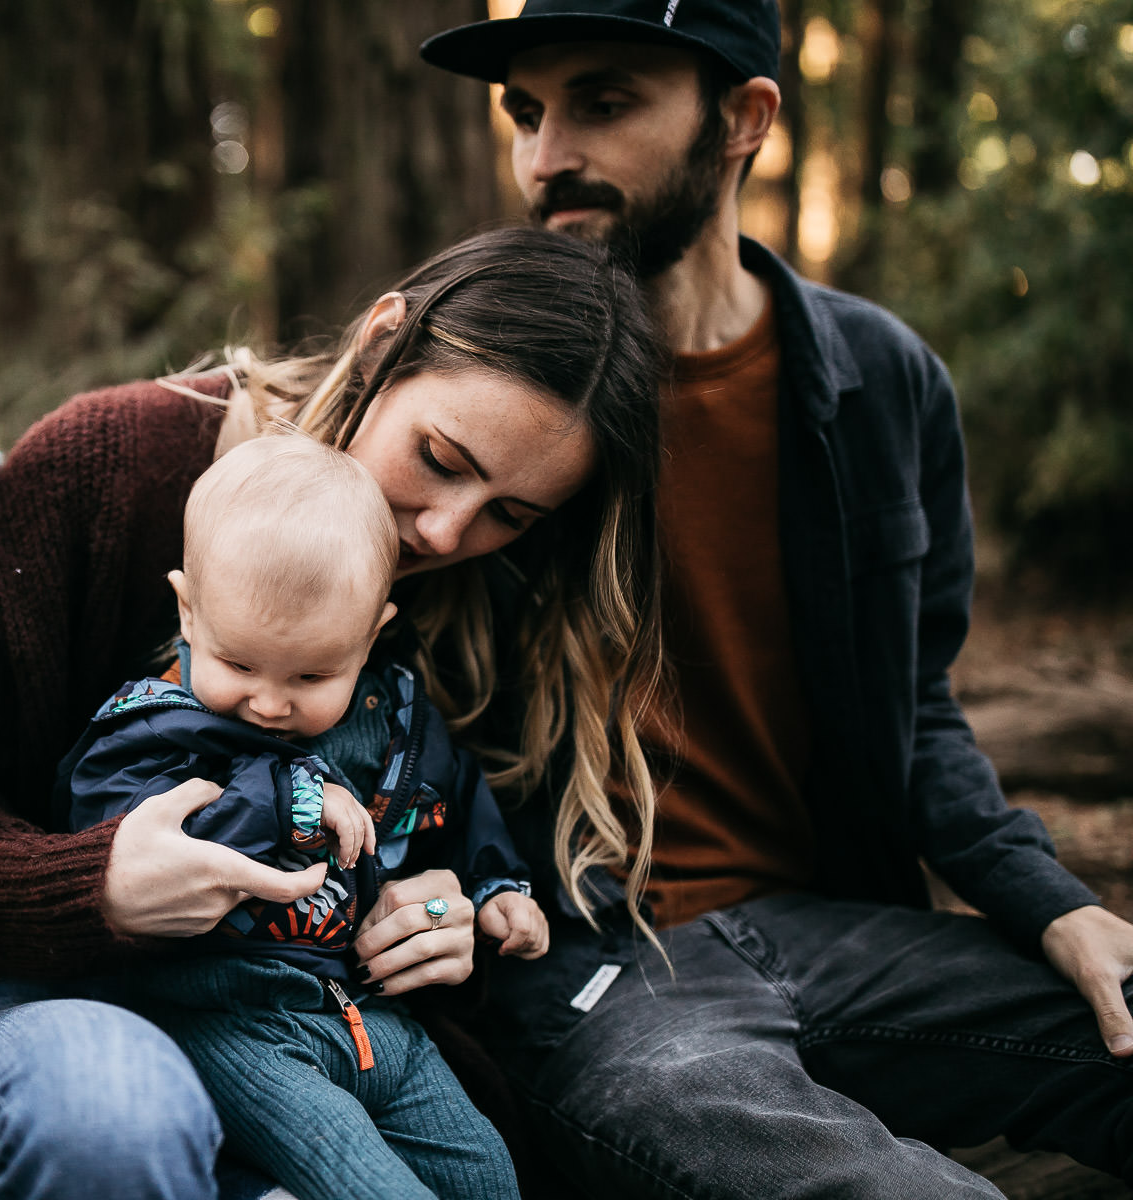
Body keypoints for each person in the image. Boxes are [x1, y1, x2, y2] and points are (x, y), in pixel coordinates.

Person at [0, 224, 668, 1200]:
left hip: (332, 1037)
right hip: (52, 1015)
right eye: (441, 457)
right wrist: (92, 884)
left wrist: (450, 929)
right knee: (117, 1115)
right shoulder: (109, 465)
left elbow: (475, 857)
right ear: (381, 345)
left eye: (510, 512)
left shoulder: (478, 600)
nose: (449, 530)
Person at [414, 2, 1133, 1196]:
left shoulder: (883, 383)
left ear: (745, 119)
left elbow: (921, 714)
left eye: (602, 102)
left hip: (842, 931)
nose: (544, 160)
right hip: (601, 963)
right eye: (527, 114)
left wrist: (1053, 906)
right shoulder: (482, 402)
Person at [61, 432, 548, 1200]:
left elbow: (457, 797)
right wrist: (284, 797)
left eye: (315, 672)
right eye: (241, 663)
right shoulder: (158, 723)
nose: (270, 701)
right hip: (233, 1018)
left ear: (370, 635)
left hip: (371, 1015)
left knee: (486, 1173)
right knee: (365, 1181)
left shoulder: (398, 722)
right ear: (189, 611)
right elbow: (108, 818)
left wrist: (497, 887)